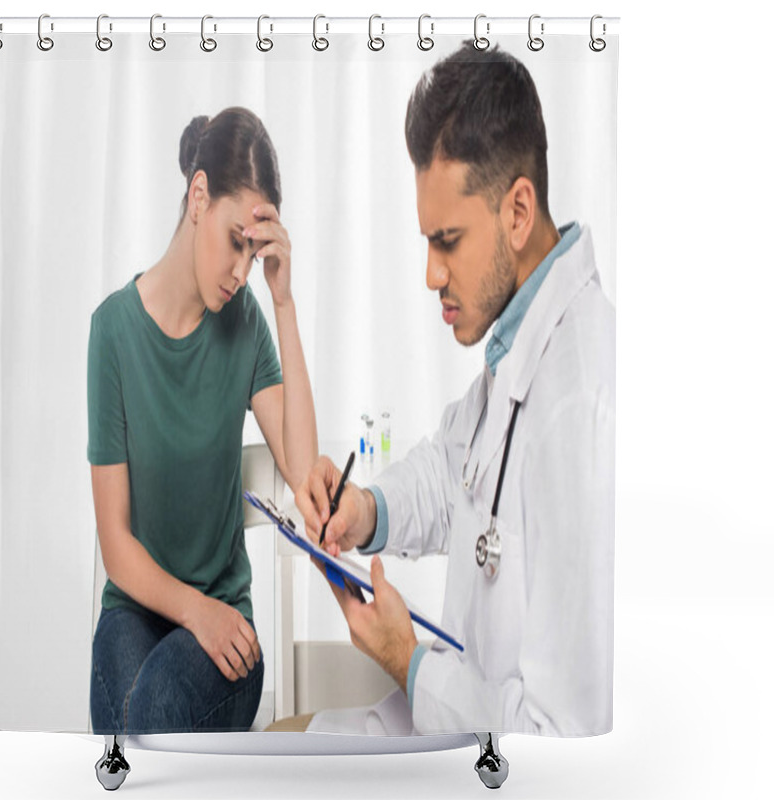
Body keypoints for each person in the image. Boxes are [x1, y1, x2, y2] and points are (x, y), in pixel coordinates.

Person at [295, 43, 615, 736]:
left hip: (493, 755)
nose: (430, 275)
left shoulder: (583, 401)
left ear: (519, 211)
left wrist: (407, 659)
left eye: (447, 241)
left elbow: (563, 738)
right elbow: (452, 471)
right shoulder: (519, 347)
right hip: (451, 719)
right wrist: (365, 510)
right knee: (275, 744)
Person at [88, 107, 317, 734]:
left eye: (256, 250)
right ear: (198, 196)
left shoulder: (246, 321)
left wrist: (285, 300)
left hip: (227, 632)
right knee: (131, 726)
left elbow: (304, 474)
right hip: (136, 610)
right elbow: (116, 542)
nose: (242, 271)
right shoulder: (112, 331)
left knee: (144, 725)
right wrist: (194, 611)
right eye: (236, 243)